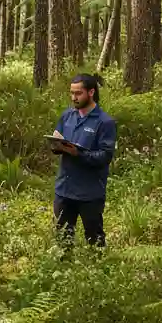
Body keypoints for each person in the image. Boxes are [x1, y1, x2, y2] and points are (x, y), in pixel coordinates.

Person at [49, 73, 116, 248]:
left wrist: (78, 154)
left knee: (95, 240)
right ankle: (63, 272)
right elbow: (58, 140)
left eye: (78, 93)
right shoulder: (67, 116)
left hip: (90, 193)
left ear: (91, 92)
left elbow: (105, 156)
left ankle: (98, 271)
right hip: (64, 189)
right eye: (72, 93)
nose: (74, 97)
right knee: (63, 239)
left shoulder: (105, 122)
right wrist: (57, 147)